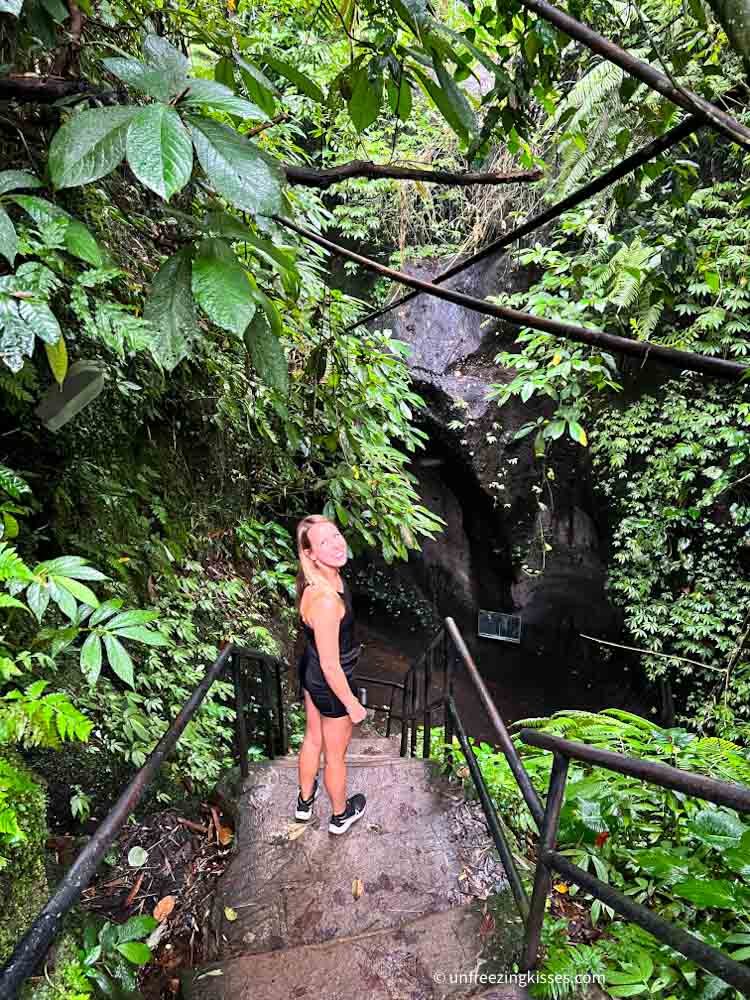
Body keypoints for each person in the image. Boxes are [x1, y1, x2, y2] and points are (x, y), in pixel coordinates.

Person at [295, 514, 368, 834]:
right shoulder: (325, 600)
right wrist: (351, 703)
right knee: (334, 756)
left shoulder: (321, 581)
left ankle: (304, 802)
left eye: (336, 535)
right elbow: (330, 665)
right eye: (324, 542)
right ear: (310, 553)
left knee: (313, 738)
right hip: (328, 681)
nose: (337, 545)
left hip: (311, 672)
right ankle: (340, 816)